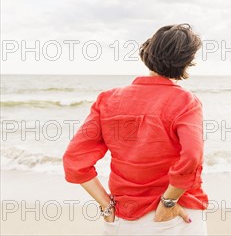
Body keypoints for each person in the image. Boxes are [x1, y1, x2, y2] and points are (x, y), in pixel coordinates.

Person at [63, 24, 208, 235]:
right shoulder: (185, 102)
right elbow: (192, 156)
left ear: (147, 51)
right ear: (187, 62)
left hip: (122, 217)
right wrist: (168, 201)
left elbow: (74, 159)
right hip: (174, 214)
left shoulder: (108, 99)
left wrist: (106, 204)